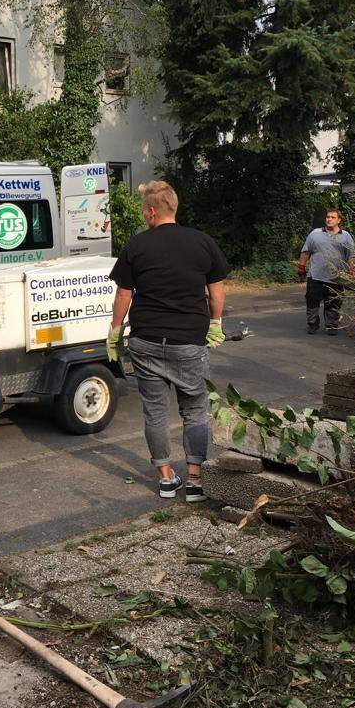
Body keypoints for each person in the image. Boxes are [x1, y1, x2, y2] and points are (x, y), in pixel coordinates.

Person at [107, 180, 229, 502]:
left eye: (144, 211)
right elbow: (216, 291)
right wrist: (215, 323)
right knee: (195, 409)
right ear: (172, 208)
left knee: (155, 412)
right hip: (189, 341)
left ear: (151, 211)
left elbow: (124, 293)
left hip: (145, 341)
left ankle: (165, 479)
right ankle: (195, 481)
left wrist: (115, 330)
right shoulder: (202, 243)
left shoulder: (136, 246)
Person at [296, 210, 355, 335]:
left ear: (339, 220)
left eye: (332, 217)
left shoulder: (346, 236)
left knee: (333, 302)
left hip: (336, 277)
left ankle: (332, 325)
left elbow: (351, 256)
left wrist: (352, 271)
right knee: (312, 301)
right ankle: (312, 324)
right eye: (328, 217)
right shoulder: (315, 234)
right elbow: (306, 252)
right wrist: (301, 267)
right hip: (315, 275)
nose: (329, 219)